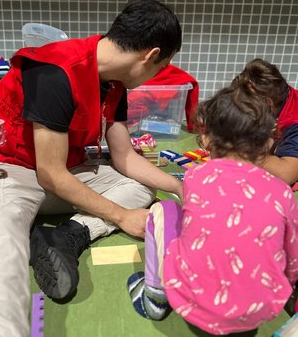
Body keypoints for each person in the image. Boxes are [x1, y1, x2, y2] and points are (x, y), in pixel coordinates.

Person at [0, 0, 183, 337]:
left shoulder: (114, 83)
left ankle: (67, 235)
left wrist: (179, 186)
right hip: (6, 170)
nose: (159, 74)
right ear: (151, 55)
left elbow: (126, 158)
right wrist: (120, 215)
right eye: (162, 66)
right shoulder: (55, 71)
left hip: (61, 173)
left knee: (143, 187)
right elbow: (50, 174)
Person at [127, 86, 298, 335]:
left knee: (162, 209)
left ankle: (154, 297)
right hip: (259, 311)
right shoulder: (282, 192)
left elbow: (192, 228)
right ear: (269, 143)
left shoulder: (196, 175)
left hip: (194, 303)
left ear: (206, 139)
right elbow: (292, 258)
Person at [230, 59, 298, 189]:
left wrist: (242, 149)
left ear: (268, 103)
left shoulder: (294, 120)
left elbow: (286, 174)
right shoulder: (281, 96)